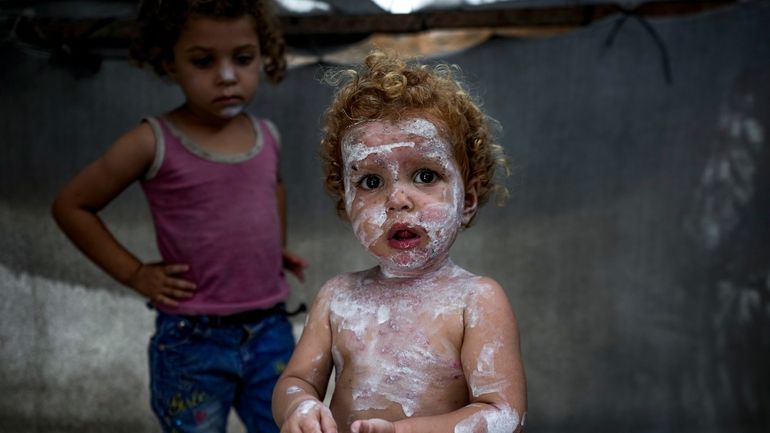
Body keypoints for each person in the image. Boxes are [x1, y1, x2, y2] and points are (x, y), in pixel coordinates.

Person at [51, 1, 307, 432]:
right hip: (193, 340)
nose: (227, 75)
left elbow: (272, 188)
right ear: (170, 61)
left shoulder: (268, 135)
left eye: (243, 59)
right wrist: (135, 273)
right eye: (203, 61)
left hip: (270, 330)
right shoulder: (152, 141)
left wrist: (273, 247)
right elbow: (72, 206)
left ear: (263, 55)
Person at [272, 50, 527, 433]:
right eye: (371, 182)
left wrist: (403, 432)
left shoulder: (476, 301)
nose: (397, 200)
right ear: (346, 202)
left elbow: (504, 414)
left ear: (468, 201)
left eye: (425, 175)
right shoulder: (337, 298)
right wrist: (301, 407)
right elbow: (296, 383)